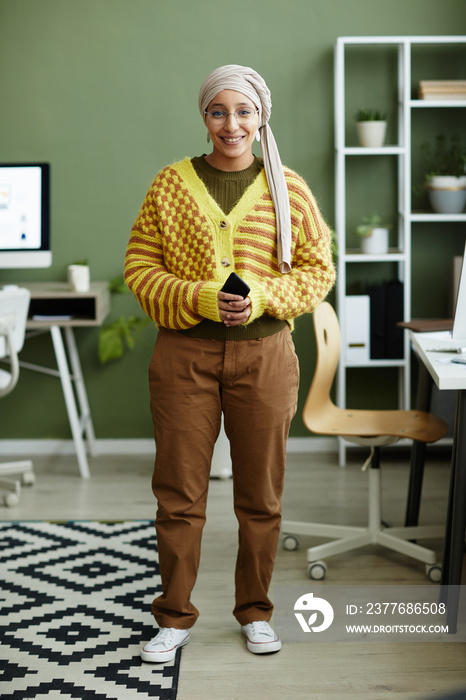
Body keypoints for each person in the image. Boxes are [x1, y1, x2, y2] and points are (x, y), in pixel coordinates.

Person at [124, 64, 335, 663]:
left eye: (243, 111)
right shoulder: (170, 184)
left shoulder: (287, 187)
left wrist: (264, 297)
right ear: (204, 116)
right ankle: (173, 617)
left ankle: (256, 612)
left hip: (266, 355)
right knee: (179, 495)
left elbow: (319, 270)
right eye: (219, 111)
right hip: (183, 355)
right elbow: (140, 269)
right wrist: (197, 296)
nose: (231, 124)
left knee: (260, 496)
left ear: (261, 115)